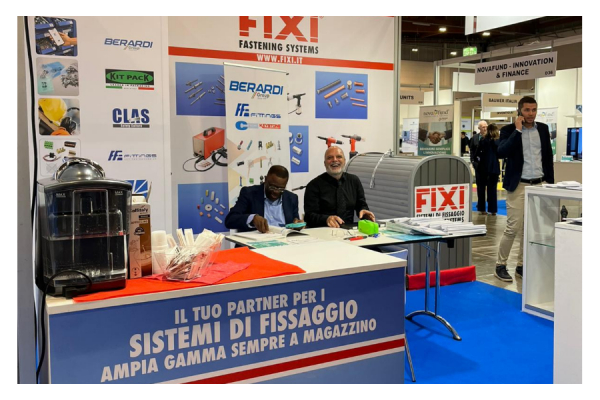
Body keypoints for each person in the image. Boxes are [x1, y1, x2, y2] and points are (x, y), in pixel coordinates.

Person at [494, 96, 554, 282]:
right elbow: (501, 152)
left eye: (534, 110)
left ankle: (522, 265)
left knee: (531, 228)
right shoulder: (509, 130)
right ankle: (500, 265)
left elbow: (547, 157)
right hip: (518, 185)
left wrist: (550, 184)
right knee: (513, 227)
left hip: (540, 184)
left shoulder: (543, 129)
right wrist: (518, 131)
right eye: (527, 110)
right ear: (520, 111)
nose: (531, 113)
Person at [304, 146, 375, 228]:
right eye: (330, 158)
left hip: (349, 231)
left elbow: (361, 205)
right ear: (325, 163)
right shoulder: (313, 186)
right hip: (324, 232)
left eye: (339, 157)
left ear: (344, 161)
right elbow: (309, 217)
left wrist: (364, 212)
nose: (335, 160)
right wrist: (326, 219)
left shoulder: (354, 181)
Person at [224, 165, 301, 233]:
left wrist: (297, 225)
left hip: (284, 243)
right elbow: (230, 220)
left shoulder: (292, 198)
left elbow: (295, 222)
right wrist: (252, 219)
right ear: (265, 179)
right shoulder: (249, 194)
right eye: (272, 187)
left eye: (281, 189)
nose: (276, 192)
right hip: (255, 243)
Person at [473, 123, 500, 216]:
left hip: (482, 167)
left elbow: (476, 154)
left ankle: (482, 209)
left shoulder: (483, 140)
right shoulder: (498, 141)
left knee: (481, 189)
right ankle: (493, 210)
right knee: (492, 190)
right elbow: (501, 154)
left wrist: (476, 162)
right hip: (494, 168)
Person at [470, 121, 487, 214]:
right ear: (479, 128)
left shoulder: (491, 137)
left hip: (488, 166)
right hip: (478, 166)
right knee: (480, 186)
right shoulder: (475, 138)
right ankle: (481, 205)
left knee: (489, 186)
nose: (485, 128)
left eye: (486, 126)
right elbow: (472, 150)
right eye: (483, 127)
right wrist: (473, 161)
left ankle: (490, 205)